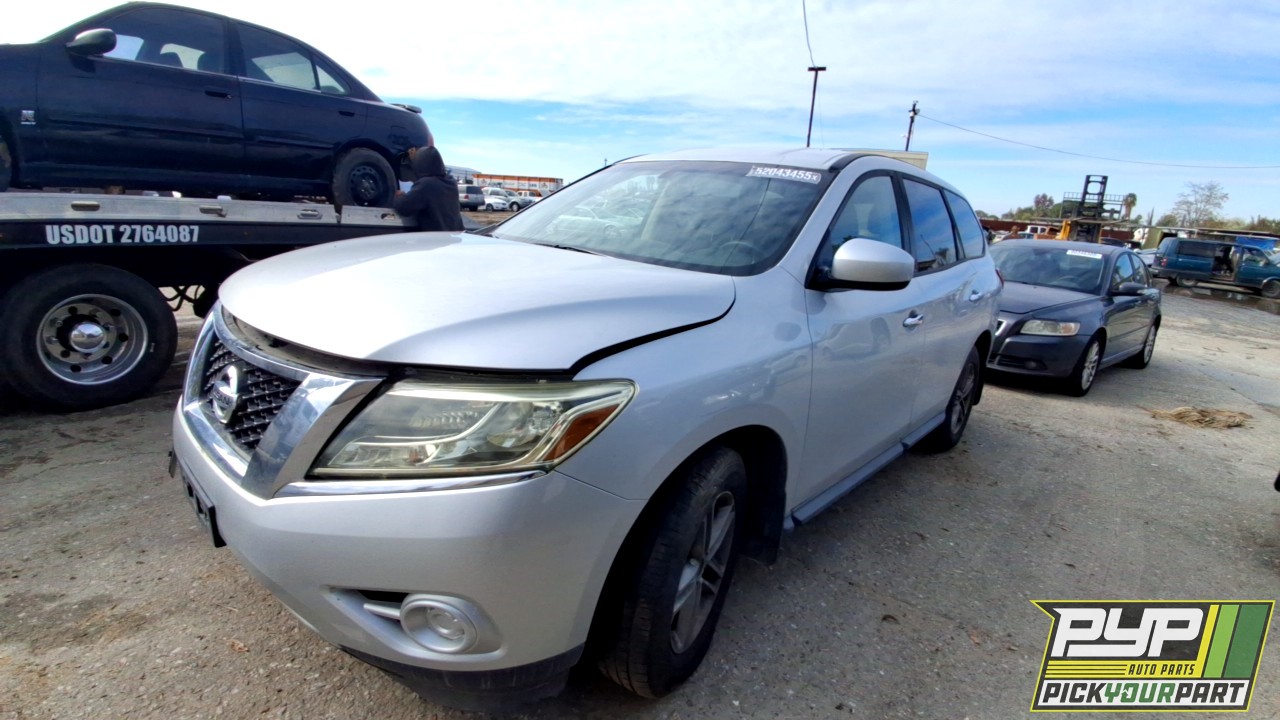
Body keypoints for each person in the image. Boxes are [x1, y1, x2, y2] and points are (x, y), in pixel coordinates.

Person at [393, 146, 464, 232]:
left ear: (421, 164)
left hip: (436, 237)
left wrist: (399, 196)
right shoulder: (451, 181)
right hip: (454, 235)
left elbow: (403, 208)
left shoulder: (426, 185)